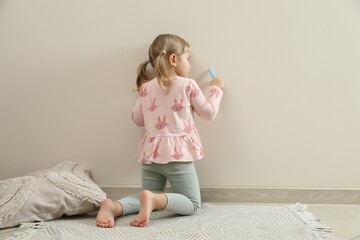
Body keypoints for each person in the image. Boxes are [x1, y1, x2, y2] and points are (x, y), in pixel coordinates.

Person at [96, 33, 225, 228]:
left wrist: (142, 95)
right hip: (178, 156)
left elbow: (137, 120)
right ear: (173, 59)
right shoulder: (188, 84)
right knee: (192, 203)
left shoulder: (146, 88)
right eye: (188, 59)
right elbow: (208, 113)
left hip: (151, 157)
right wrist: (217, 89)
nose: (190, 65)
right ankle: (155, 200)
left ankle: (114, 207)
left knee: (146, 195)